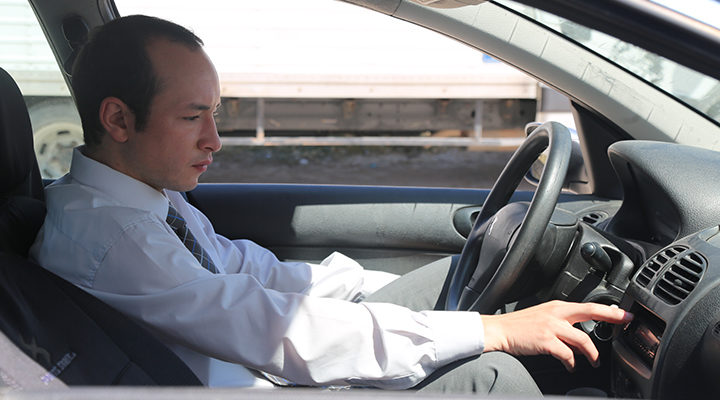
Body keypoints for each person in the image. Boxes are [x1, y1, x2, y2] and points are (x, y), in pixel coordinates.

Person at [30, 15, 632, 394]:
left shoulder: (145, 201)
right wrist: (488, 332)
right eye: (192, 118)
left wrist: (363, 287)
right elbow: (276, 331)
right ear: (118, 119)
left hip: (264, 358)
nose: (213, 140)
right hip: (259, 380)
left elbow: (248, 271)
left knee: (453, 276)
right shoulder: (110, 240)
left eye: (214, 115)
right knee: (490, 377)